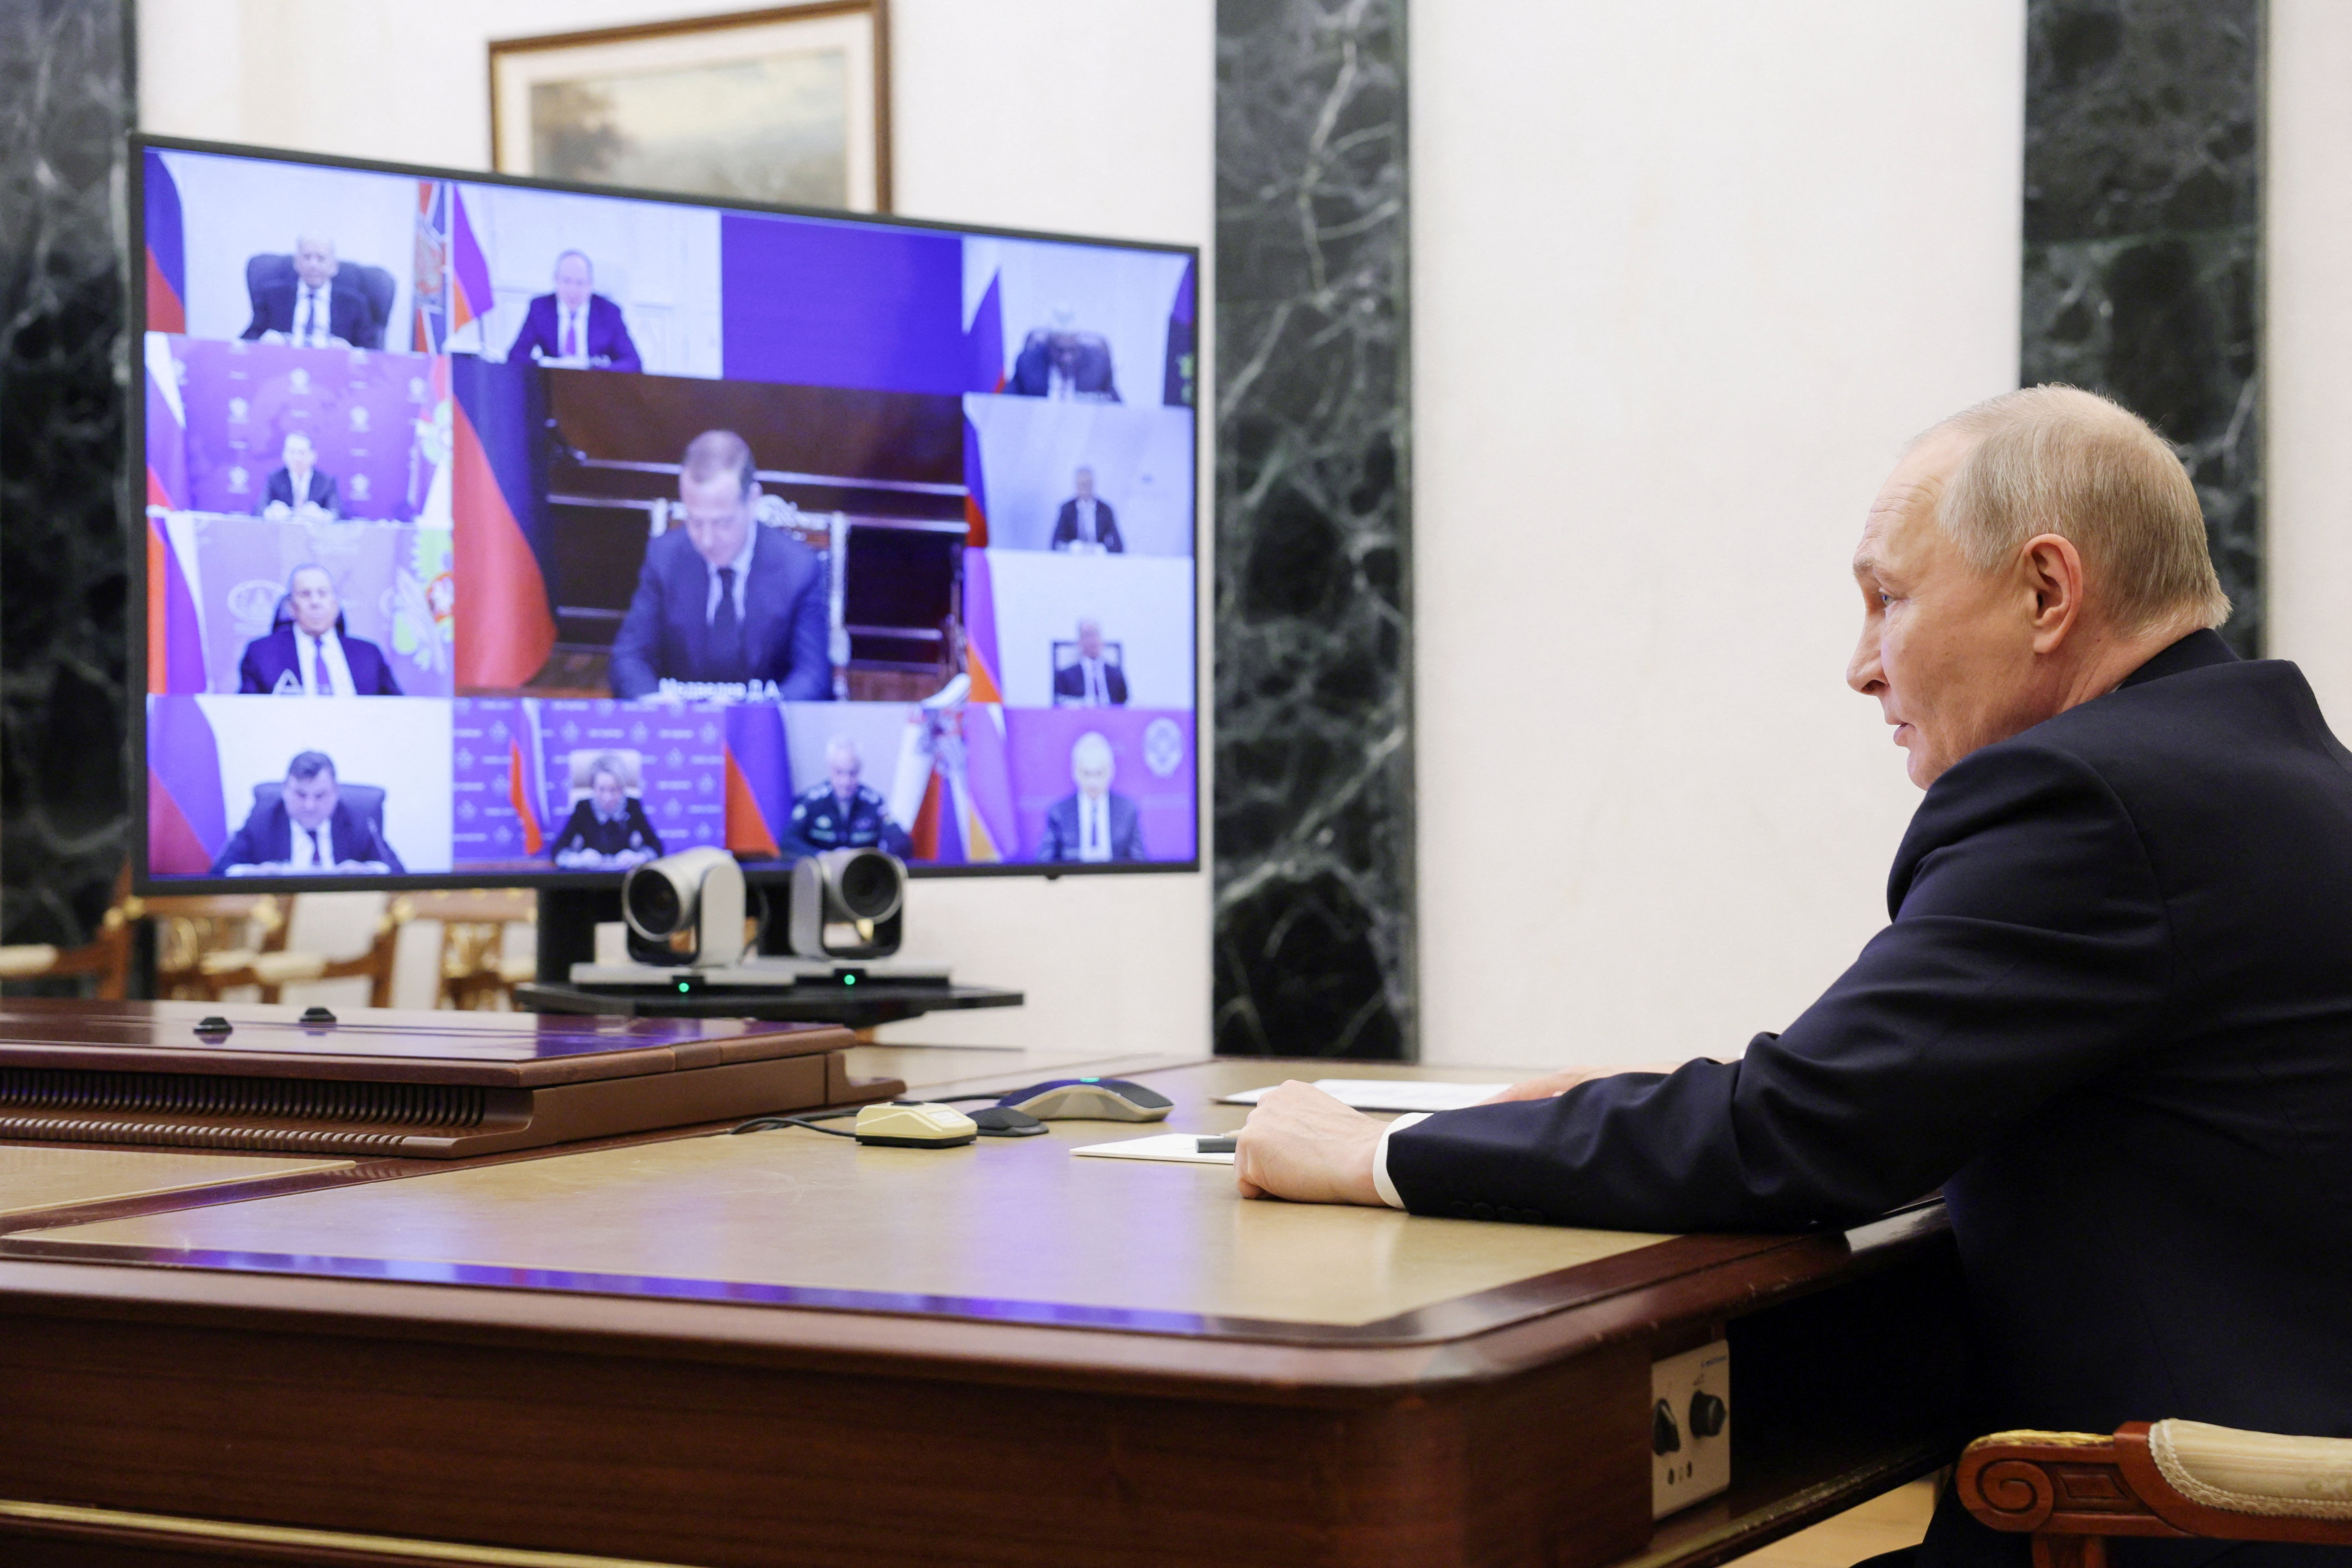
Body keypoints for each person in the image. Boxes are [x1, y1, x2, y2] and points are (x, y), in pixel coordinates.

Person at [1233, 387, 2352, 1568]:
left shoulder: (2084, 796)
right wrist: (1702, 1092)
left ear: (2044, 591)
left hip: (2169, 1524)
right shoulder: (2270, 763)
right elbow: (1945, 1089)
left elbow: (1799, 1134)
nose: (1859, 666)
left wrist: (1369, 1153)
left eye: (1887, 599)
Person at [608, 431, 832, 701]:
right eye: (695, 522)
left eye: (723, 523)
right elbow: (629, 658)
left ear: (752, 502)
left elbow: (813, 675)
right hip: (682, 724)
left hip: (763, 726)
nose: (707, 540)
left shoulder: (798, 568)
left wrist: (761, 715)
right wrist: (658, 705)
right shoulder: (664, 557)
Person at [211, 751, 403, 874]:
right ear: (285, 790)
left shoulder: (360, 819)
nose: (310, 806)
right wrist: (254, 873)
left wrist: (366, 871)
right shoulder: (264, 817)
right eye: (301, 795)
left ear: (336, 792)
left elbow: (398, 873)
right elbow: (220, 872)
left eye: (320, 796)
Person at [237, 564, 402, 696]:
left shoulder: (368, 655)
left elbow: (398, 709)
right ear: (292, 608)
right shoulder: (263, 653)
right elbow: (248, 713)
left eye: (323, 594)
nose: (315, 602)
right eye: (305, 594)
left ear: (336, 605)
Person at [506, 250, 642, 373]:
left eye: (580, 283)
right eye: (567, 281)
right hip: (552, 385)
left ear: (590, 284)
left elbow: (633, 363)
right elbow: (516, 355)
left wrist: (592, 368)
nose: (573, 290)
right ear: (556, 280)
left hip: (595, 387)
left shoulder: (609, 313)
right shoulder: (540, 308)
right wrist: (547, 364)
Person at [782, 736, 911, 858]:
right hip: (823, 874)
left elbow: (901, 842)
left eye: (852, 773)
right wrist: (822, 857)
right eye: (839, 772)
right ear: (830, 768)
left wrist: (876, 859)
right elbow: (788, 842)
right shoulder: (811, 802)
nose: (846, 782)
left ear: (860, 770)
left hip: (862, 874)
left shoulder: (874, 803)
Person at [241, 234, 369, 348]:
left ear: (334, 267)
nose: (313, 265)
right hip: (284, 367)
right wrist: (262, 341)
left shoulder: (354, 304)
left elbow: (373, 352)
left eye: (321, 259)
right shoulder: (271, 296)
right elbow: (247, 340)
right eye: (307, 258)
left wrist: (349, 351)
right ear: (297, 263)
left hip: (333, 369)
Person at [1040, 731, 1145, 863]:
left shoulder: (1127, 810)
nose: (1093, 783)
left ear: (1111, 772)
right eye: (1087, 774)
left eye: (1099, 773)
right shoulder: (1059, 812)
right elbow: (1044, 863)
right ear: (1075, 772)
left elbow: (1140, 864)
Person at [548, 753, 662, 868]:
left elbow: (657, 847)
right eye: (602, 790)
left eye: (614, 790)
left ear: (622, 788)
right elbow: (557, 850)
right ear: (593, 787)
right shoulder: (583, 808)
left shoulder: (632, 806)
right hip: (591, 877)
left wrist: (638, 857)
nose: (607, 797)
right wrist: (580, 859)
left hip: (624, 876)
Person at [1007, 307, 1120, 401]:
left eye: (1072, 350)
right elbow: (1007, 404)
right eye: (1060, 351)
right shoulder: (1028, 363)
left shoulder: (1098, 366)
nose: (1067, 358)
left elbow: (1116, 410)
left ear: (1079, 345)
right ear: (1048, 346)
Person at [256, 432, 340, 521]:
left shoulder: (326, 481)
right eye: (292, 452)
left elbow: (337, 513)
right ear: (284, 455)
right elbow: (259, 509)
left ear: (313, 456)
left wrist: (322, 515)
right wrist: (271, 513)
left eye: (302, 453)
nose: (297, 458)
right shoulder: (275, 478)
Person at [1053, 618, 1127, 706]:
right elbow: (1060, 703)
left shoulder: (1116, 673)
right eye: (1088, 635)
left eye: (1096, 635)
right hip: (1078, 718)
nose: (1093, 640)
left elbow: (1124, 703)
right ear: (1079, 642)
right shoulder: (1065, 675)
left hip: (1111, 718)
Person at [1048, 467, 1125, 554]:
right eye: (1081, 484)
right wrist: (1077, 548)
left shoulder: (1105, 511)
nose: (1084, 488)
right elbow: (1057, 543)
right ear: (1076, 485)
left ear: (1093, 485)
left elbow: (1118, 546)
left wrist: (1098, 550)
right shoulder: (1067, 509)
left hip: (1100, 561)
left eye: (1088, 484)